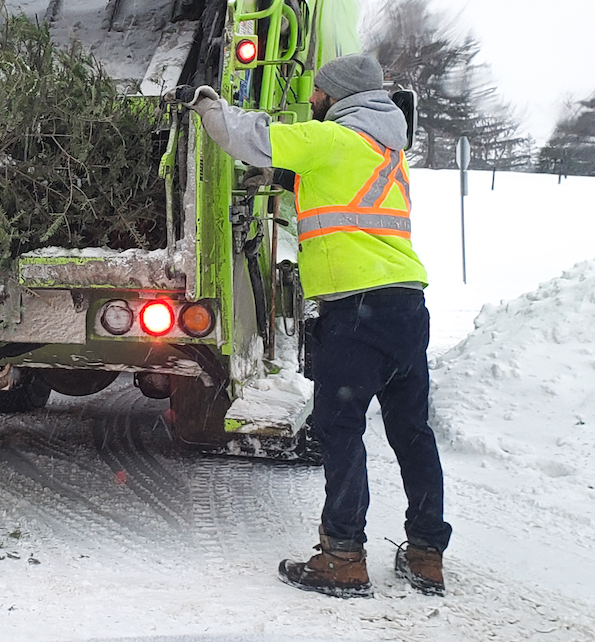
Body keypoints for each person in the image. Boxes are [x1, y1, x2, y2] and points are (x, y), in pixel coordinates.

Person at [185, 54, 451, 599]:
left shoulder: (335, 139)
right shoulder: (388, 150)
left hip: (355, 312)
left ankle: (343, 558)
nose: (312, 100)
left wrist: (209, 106)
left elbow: (252, 136)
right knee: (411, 432)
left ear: (339, 97)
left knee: (339, 428)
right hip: (405, 306)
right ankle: (426, 554)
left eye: (318, 94)